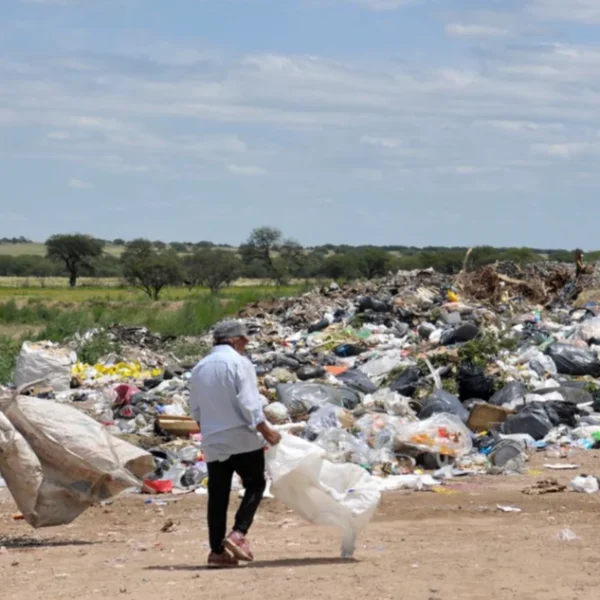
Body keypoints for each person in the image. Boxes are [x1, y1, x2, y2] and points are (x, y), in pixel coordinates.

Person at [189, 319, 281, 568]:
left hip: (213, 441)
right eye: (244, 339)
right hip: (242, 438)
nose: (247, 343)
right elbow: (250, 403)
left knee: (217, 495)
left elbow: (195, 409)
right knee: (255, 483)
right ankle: (238, 534)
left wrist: (209, 431)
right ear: (234, 340)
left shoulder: (200, 368)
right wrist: (266, 430)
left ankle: (217, 552)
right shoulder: (240, 363)